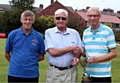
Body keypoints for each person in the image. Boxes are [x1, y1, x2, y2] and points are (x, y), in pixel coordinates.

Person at [4, 10, 46, 83]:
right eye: (25, 19)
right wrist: (16, 62)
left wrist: (29, 62)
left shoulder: (38, 36)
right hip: (14, 74)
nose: (27, 22)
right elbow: (6, 53)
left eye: (30, 19)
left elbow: (42, 56)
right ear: (21, 20)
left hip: (32, 75)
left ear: (33, 21)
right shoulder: (13, 34)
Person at [45, 9, 82, 83]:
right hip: (54, 72)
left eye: (63, 18)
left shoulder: (75, 33)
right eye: (58, 18)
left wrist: (76, 58)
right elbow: (53, 52)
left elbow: (78, 51)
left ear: (67, 20)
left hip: (71, 71)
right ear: (54, 19)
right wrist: (69, 48)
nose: (60, 20)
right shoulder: (49, 32)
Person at [82, 7, 117, 83]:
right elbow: (84, 52)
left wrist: (96, 60)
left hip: (103, 76)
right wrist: (78, 52)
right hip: (87, 75)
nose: (92, 18)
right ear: (87, 17)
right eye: (90, 16)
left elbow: (114, 53)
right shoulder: (85, 32)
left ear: (99, 16)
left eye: (95, 16)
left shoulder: (108, 31)